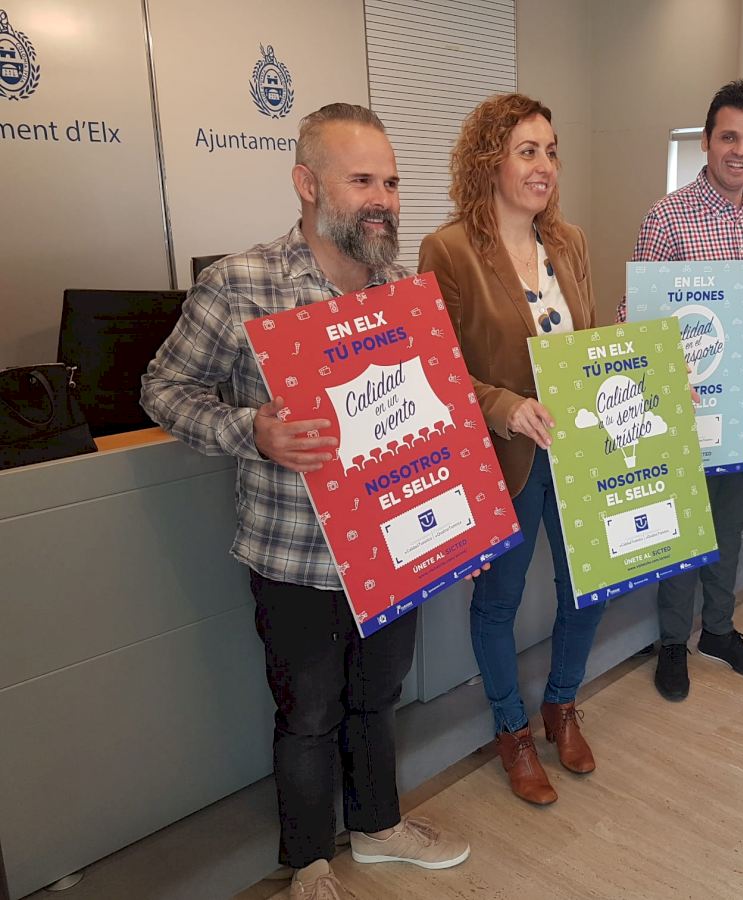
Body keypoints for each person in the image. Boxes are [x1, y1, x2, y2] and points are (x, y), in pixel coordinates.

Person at [142, 103, 469, 900]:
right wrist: (250, 430)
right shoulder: (240, 284)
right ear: (307, 183)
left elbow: (431, 414)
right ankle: (310, 861)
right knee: (308, 715)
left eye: (391, 182)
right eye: (362, 181)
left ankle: (379, 829)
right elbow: (162, 387)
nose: (382, 199)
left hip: (393, 547)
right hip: (295, 554)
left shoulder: (405, 293)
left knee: (378, 698)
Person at [418, 93, 603, 806]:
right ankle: (512, 731)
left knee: (589, 585)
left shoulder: (570, 242)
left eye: (551, 152)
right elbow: (433, 366)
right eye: (527, 151)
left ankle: (562, 704)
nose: (544, 165)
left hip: (577, 444)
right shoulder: (449, 250)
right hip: (505, 454)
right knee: (499, 600)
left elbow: (588, 343)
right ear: (489, 160)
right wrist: (503, 405)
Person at [617, 79, 743, 701]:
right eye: (729, 137)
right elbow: (633, 313)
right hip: (687, 406)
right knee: (683, 525)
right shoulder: (667, 217)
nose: (740, 150)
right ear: (706, 140)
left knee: (731, 526)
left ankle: (717, 631)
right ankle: (671, 642)